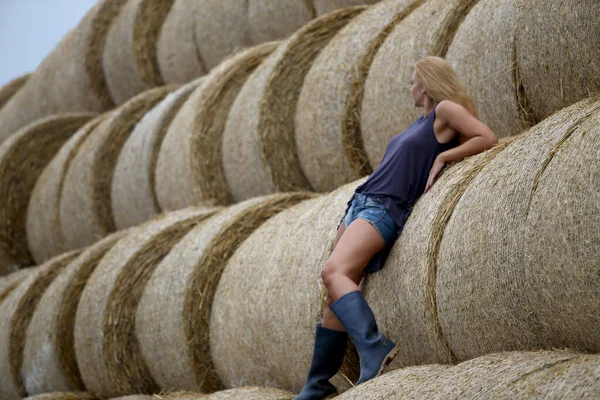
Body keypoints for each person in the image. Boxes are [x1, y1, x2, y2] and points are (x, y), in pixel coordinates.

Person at [294, 56, 499, 400]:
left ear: (427, 83)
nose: (410, 88)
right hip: (360, 204)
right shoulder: (417, 123)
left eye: (412, 81)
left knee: (333, 271)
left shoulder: (444, 111)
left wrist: (443, 157)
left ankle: (374, 348)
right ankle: (317, 384)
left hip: (384, 208)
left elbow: (486, 136)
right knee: (334, 291)